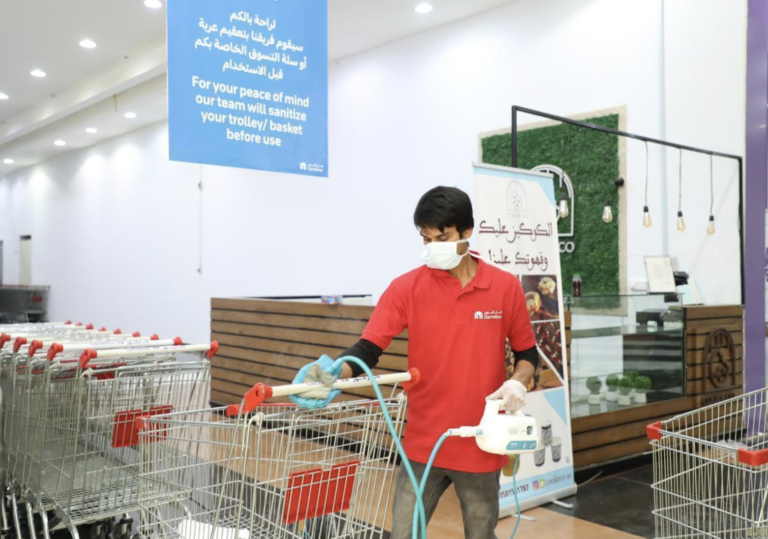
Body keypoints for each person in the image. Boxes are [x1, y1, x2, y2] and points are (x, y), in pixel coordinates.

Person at [291, 186, 539, 539]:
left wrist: (518, 381)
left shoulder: (504, 288)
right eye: (425, 238)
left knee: (480, 535)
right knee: (403, 534)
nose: (433, 247)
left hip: (482, 443)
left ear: (467, 232)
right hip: (423, 444)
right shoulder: (406, 288)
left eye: (443, 237)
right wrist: (335, 373)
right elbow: (369, 348)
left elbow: (528, 354)